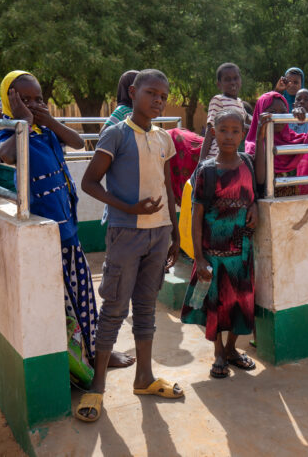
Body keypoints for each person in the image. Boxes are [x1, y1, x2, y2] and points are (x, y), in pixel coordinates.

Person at [0, 71, 135, 378]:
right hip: (45, 236)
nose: (33, 105)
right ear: (10, 101)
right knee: (61, 305)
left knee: (83, 294)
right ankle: (77, 363)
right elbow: (3, 157)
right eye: (25, 99)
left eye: (38, 99)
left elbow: (77, 140)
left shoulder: (47, 131)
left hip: (67, 227)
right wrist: (23, 122)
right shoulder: (10, 132)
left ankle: (99, 352)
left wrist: (46, 121)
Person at [77, 69, 182, 422]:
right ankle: (98, 386)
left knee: (147, 305)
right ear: (134, 92)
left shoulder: (164, 138)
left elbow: (167, 185)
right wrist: (129, 208)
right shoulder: (116, 134)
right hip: (126, 233)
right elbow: (89, 183)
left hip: (159, 232)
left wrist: (175, 230)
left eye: (163, 96)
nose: (158, 100)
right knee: (114, 307)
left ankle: (145, 377)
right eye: (151, 93)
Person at [181, 108, 265, 378]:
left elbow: (255, 192)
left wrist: (255, 206)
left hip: (242, 251)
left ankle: (231, 349)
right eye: (223, 130)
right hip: (213, 252)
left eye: (235, 131)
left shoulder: (248, 164)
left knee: (240, 302)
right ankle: (218, 352)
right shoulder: (206, 170)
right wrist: (199, 257)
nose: (229, 136)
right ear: (214, 132)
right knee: (214, 304)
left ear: (242, 134)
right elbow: (197, 216)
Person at [245, 91, 308, 196]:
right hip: (268, 206)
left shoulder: (292, 140)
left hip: (293, 206)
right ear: (260, 114)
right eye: (273, 112)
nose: (278, 117)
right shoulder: (254, 145)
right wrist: (260, 136)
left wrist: (306, 116)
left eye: (283, 112)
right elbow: (260, 180)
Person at [201, 63, 249, 160]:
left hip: (233, 156)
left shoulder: (240, 103)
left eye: (236, 78)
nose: (232, 82)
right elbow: (209, 130)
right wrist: (201, 160)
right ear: (219, 84)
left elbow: (250, 122)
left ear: (241, 80)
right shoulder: (218, 100)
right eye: (227, 79)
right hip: (217, 156)